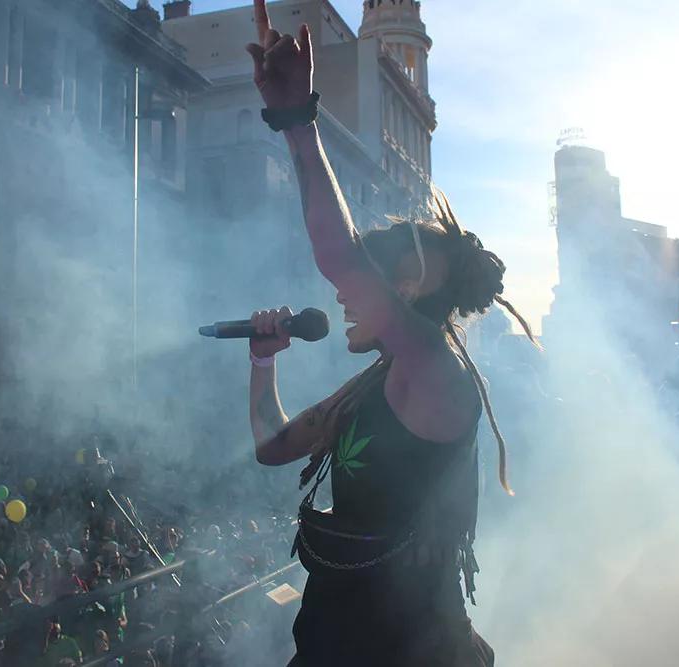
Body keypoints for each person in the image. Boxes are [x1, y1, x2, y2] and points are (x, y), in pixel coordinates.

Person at [242, 2, 534, 664]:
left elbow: (337, 254)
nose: (345, 292)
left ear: (406, 291)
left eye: (366, 278)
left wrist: (298, 123)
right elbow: (270, 445)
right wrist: (263, 360)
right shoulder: (374, 386)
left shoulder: (435, 372)